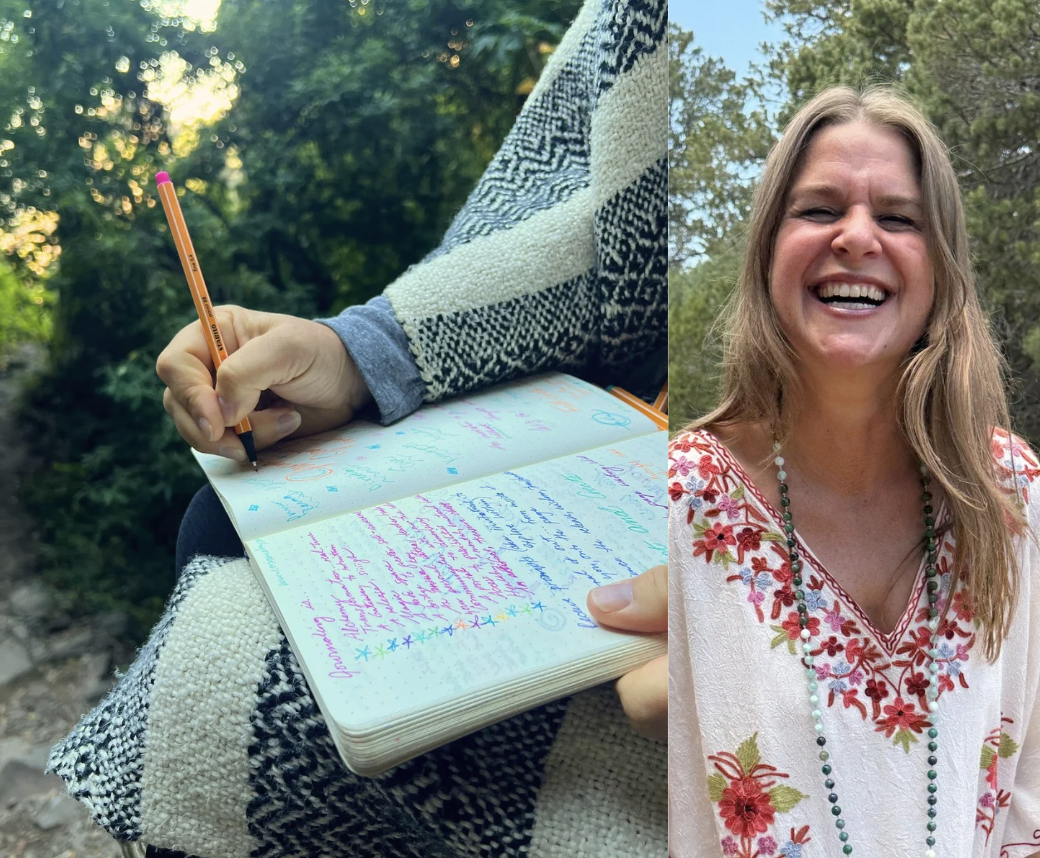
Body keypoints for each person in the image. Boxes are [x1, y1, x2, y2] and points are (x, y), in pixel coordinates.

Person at [46, 1, 668, 856]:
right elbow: (600, 232)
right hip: (621, 430)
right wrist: (358, 354)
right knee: (221, 517)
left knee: (244, 666)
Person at [669, 86, 1040, 858]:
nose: (857, 238)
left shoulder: (1015, 497)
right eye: (818, 209)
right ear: (768, 250)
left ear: (941, 270)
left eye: (899, 217)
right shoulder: (679, 504)